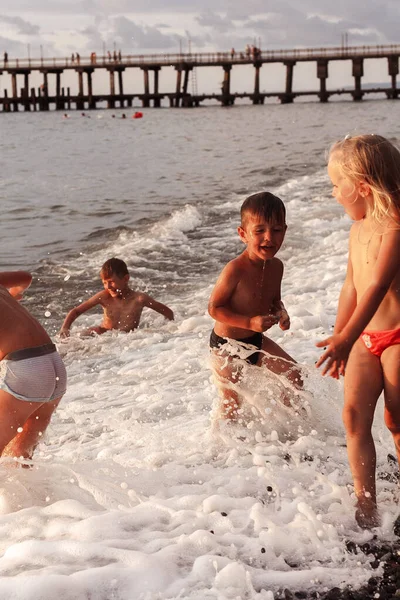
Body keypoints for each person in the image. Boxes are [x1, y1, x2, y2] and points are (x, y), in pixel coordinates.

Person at [316, 134, 400, 529]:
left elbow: (378, 285)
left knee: (397, 421)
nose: (334, 193)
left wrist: (346, 338)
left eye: (337, 185)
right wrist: (341, 339)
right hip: (363, 338)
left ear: (362, 187)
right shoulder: (358, 229)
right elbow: (351, 286)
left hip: (398, 337)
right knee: (353, 418)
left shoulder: (395, 227)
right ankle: (366, 504)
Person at [208, 192, 301, 420]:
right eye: (259, 231)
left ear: (284, 231)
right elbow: (214, 308)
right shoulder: (235, 269)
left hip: (255, 342)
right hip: (226, 347)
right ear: (243, 234)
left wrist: (281, 312)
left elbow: (274, 299)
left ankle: (290, 429)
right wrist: (249, 322)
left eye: (276, 230)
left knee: (295, 376)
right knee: (232, 405)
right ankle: (227, 451)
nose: (269, 237)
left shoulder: (276, 266)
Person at [0, 271, 67, 461]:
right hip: (54, 366)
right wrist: (13, 295)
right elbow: (25, 278)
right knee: (19, 463)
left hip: (25, 372)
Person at [59, 257, 174, 337]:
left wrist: (168, 329)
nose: (108, 286)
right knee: (84, 336)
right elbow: (76, 311)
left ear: (125, 279)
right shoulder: (104, 297)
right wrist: (65, 328)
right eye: (104, 282)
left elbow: (168, 312)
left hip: (126, 339)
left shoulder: (139, 299)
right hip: (104, 335)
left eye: (111, 282)